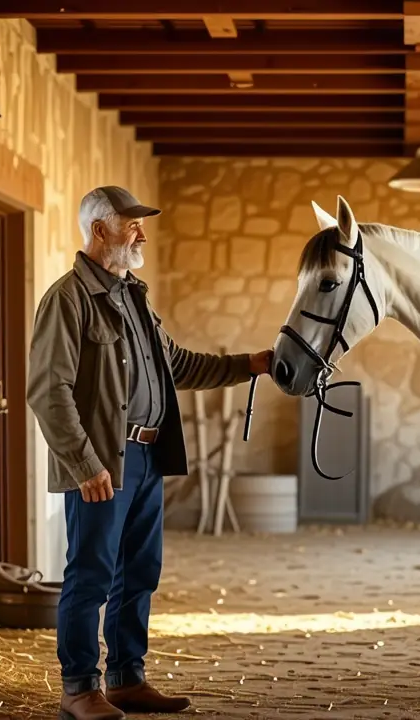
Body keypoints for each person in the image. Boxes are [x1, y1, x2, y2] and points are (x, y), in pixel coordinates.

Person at [27, 186, 272, 720]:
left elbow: (177, 366)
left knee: (139, 570)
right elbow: (49, 391)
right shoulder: (67, 300)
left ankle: (125, 679)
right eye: (131, 223)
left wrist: (250, 364)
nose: (142, 233)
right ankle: (78, 689)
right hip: (102, 462)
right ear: (99, 230)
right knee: (90, 572)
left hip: (146, 458)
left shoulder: (131, 295)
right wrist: (84, 463)